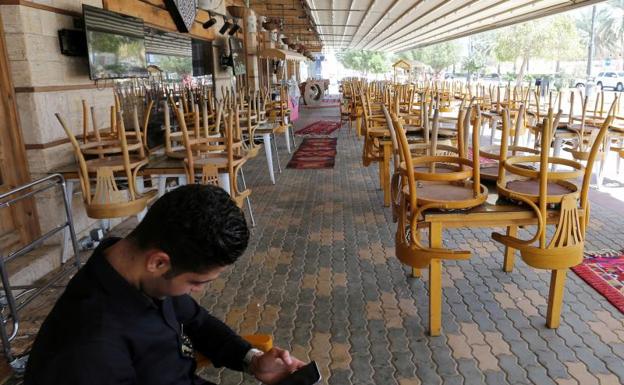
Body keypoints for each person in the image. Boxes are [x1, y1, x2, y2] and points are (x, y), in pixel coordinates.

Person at [24, 184, 304, 385]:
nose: (198, 290)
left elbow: (199, 322)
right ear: (158, 262)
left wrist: (252, 360)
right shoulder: (91, 350)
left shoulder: (136, 274)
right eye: (196, 282)